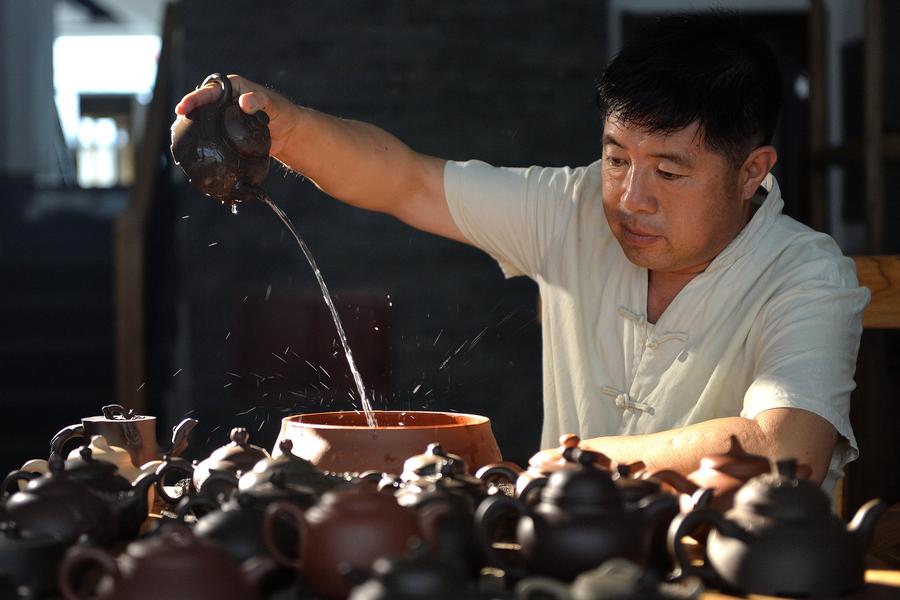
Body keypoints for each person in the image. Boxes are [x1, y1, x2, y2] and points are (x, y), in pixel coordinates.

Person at [176, 13, 868, 493]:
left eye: (670, 171)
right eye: (616, 157)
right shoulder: (572, 206)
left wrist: (568, 465)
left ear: (753, 171)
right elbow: (405, 180)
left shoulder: (806, 275)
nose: (630, 198)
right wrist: (285, 127)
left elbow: (787, 449)